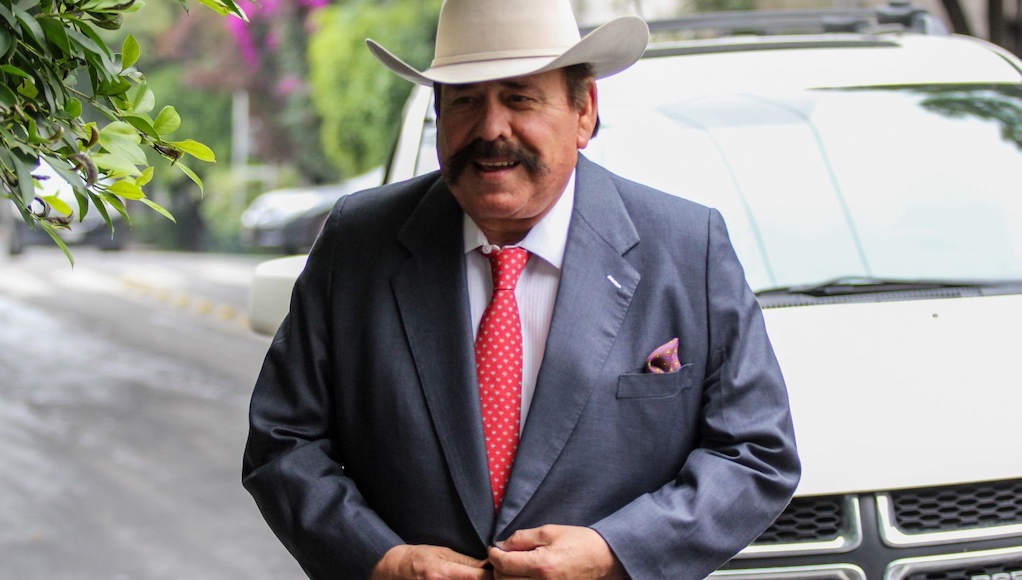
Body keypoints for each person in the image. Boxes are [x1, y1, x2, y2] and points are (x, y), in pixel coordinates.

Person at [242, 0, 801, 578]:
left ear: (584, 111)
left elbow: (755, 454)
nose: (491, 129)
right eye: (465, 100)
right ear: (438, 115)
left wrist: (614, 553)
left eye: (519, 98)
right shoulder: (359, 243)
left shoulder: (686, 248)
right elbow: (283, 441)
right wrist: (382, 560)